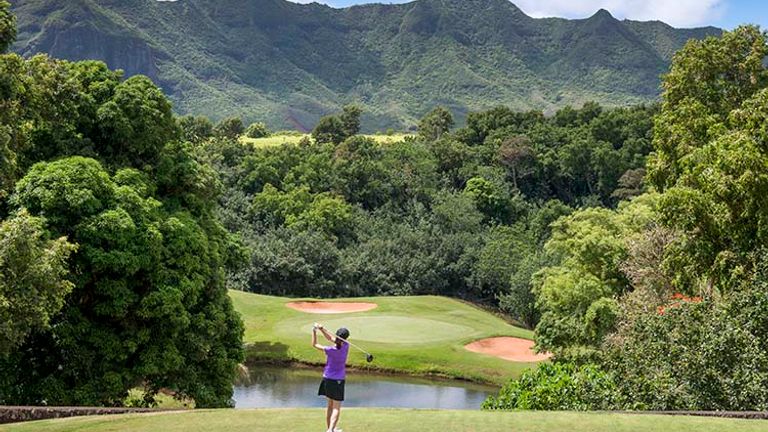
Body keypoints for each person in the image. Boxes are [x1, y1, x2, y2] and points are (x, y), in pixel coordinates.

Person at [312, 323, 350, 432]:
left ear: (337, 336)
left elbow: (315, 344)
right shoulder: (346, 345)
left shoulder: (330, 350)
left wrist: (315, 330)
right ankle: (331, 430)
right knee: (336, 407)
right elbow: (332, 338)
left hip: (327, 378)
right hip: (338, 380)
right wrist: (323, 329)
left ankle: (330, 429)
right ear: (346, 338)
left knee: (330, 406)